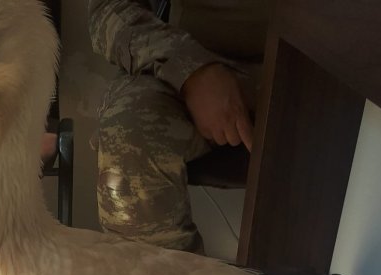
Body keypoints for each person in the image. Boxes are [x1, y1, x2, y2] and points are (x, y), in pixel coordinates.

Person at [88, 0, 267, 253]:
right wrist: (190, 69)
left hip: (318, 56)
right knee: (129, 134)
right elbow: (109, 8)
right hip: (195, 55)